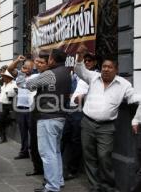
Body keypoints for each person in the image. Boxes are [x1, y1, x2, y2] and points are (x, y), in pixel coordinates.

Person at [74, 45, 141, 192]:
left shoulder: (123, 85)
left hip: (107, 127)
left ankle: (108, 185)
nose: (105, 69)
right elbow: (79, 70)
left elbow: (135, 98)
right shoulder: (93, 77)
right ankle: (94, 186)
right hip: (88, 123)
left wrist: (136, 118)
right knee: (89, 155)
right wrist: (79, 56)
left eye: (110, 67)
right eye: (104, 66)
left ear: (116, 70)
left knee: (104, 156)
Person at [17, 49, 71, 192]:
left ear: (52, 60)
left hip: (47, 117)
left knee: (47, 153)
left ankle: (52, 186)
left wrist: (22, 72)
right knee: (55, 151)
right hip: (60, 116)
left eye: (48, 58)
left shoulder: (50, 74)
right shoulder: (66, 72)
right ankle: (58, 181)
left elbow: (26, 85)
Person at [61, 53, 98, 181]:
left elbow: (97, 91)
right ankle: (59, 166)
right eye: (85, 60)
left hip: (80, 111)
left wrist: (84, 96)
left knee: (76, 141)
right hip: (69, 109)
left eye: (90, 60)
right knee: (63, 137)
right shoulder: (76, 75)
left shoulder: (95, 76)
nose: (87, 62)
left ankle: (73, 170)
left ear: (94, 63)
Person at [24, 53, 50, 176]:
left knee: (44, 146)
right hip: (33, 112)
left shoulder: (51, 75)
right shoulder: (35, 75)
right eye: (37, 62)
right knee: (33, 143)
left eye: (41, 62)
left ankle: (48, 172)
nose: (38, 64)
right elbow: (25, 84)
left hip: (45, 114)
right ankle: (37, 168)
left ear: (48, 63)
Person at [7, 55, 35, 160]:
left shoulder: (36, 77)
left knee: (32, 132)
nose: (26, 69)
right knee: (23, 132)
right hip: (20, 108)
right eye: (25, 67)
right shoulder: (20, 75)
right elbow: (9, 69)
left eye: (29, 67)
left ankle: (33, 152)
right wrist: (18, 60)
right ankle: (24, 151)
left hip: (31, 109)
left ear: (33, 68)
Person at [0, 70, 17, 144]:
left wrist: (10, 94)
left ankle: (3, 137)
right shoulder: (4, 84)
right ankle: (1, 134)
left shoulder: (14, 84)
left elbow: (15, 94)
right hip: (0, 103)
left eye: (4, 77)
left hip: (7, 105)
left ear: (8, 77)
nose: (3, 78)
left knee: (0, 119)